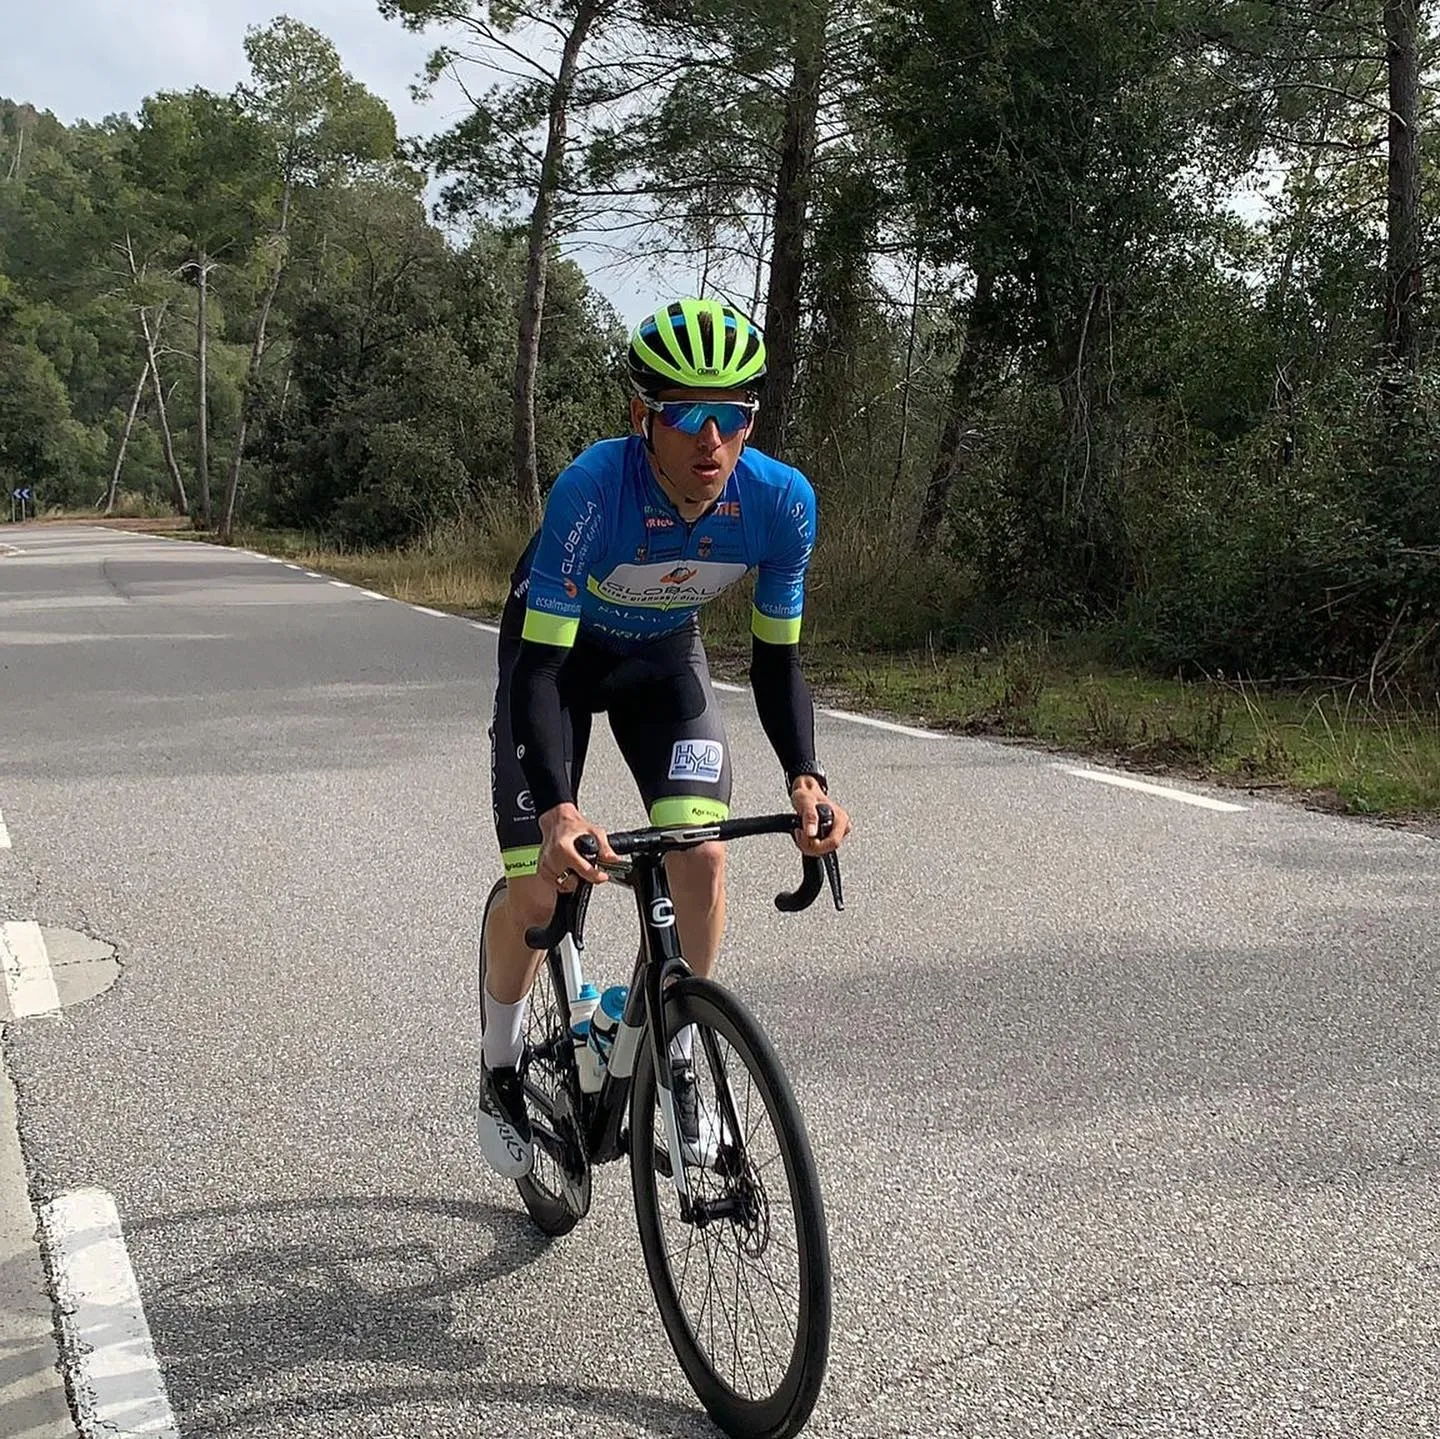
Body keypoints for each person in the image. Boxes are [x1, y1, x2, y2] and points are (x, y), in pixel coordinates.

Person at [479, 296, 851, 1178]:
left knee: (703, 855)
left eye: (734, 416)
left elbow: (776, 664)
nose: (711, 441)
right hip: (558, 664)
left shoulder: (781, 505)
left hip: (663, 665)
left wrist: (806, 776)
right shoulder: (592, 490)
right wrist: (562, 810)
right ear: (641, 415)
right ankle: (498, 1066)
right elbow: (535, 674)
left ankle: (670, 1047)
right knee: (541, 889)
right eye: (687, 414)